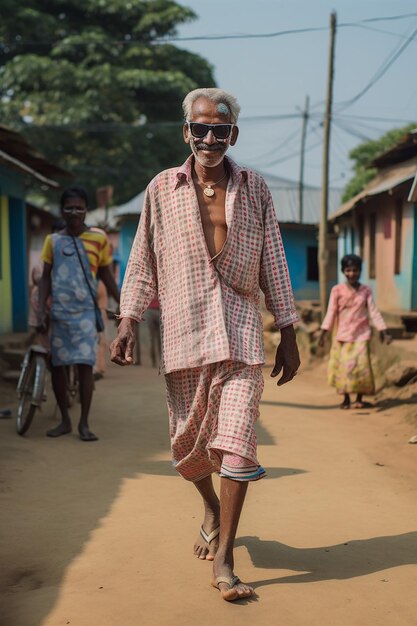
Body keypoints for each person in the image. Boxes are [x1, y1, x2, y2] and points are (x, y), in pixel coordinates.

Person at [110, 88, 300, 601]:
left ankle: (226, 557)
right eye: (200, 129)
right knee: (188, 447)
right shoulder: (160, 189)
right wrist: (127, 319)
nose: (209, 138)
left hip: (240, 332)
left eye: (220, 130)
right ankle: (210, 507)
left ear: (233, 135)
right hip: (185, 334)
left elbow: (274, 260)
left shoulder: (255, 188)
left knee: (236, 441)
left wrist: (288, 330)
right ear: (186, 132)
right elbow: (143, 258)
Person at [37, 186, 120, 441]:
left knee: (85, 367)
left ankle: (84, 423)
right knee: (59, 367)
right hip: (59, 314)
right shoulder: (53, 241)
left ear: (86, 210)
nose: (74, 212)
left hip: (86, 314)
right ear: (62, 210)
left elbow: (106, 274)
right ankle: (64, 420)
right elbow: (45, 278)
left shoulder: (99, 239)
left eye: (79, 207)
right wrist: (41, 309)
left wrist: (124, 305)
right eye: (69, 207)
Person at [318, 254, 390, 410]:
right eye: (348, 270)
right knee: (344, 368)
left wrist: (383, 330)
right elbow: (331, 312)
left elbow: (373, 311)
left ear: (360, 271)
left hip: (361, 335)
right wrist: (323, 333)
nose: (352, 273)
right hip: (342, 336)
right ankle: (345, 399)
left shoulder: (366, 290)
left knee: (361, 368)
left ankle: (359, 399)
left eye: (355, 270)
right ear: (343, 271)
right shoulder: (337, 290)